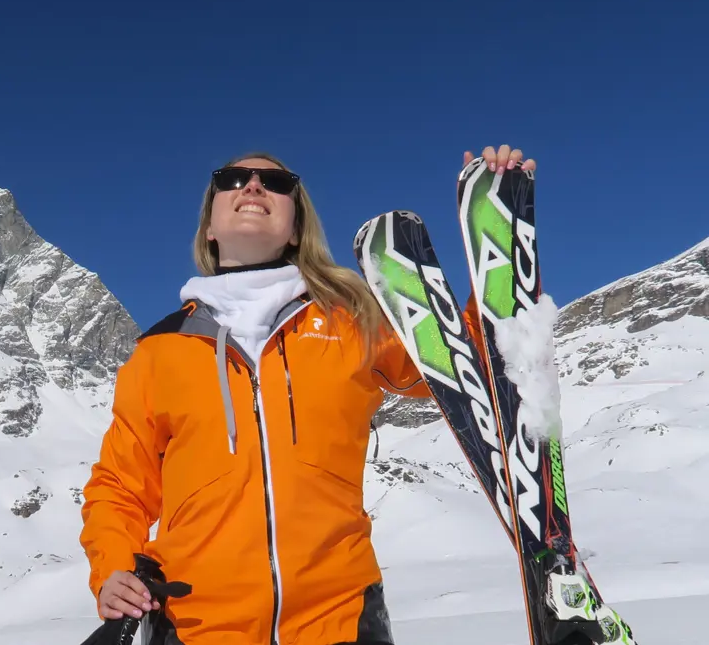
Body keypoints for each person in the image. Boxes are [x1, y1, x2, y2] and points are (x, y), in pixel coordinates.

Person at [79, 146, 535, 645]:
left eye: (276, 184)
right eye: (233, 179)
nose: (253, 187)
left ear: (296, 227)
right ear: (209, 225)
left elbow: (459, 366)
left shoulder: (352, 320)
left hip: (340, 620)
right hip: (196, 627)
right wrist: (114, 568)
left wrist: (498, 233)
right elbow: (120, 486)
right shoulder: (159, 351)